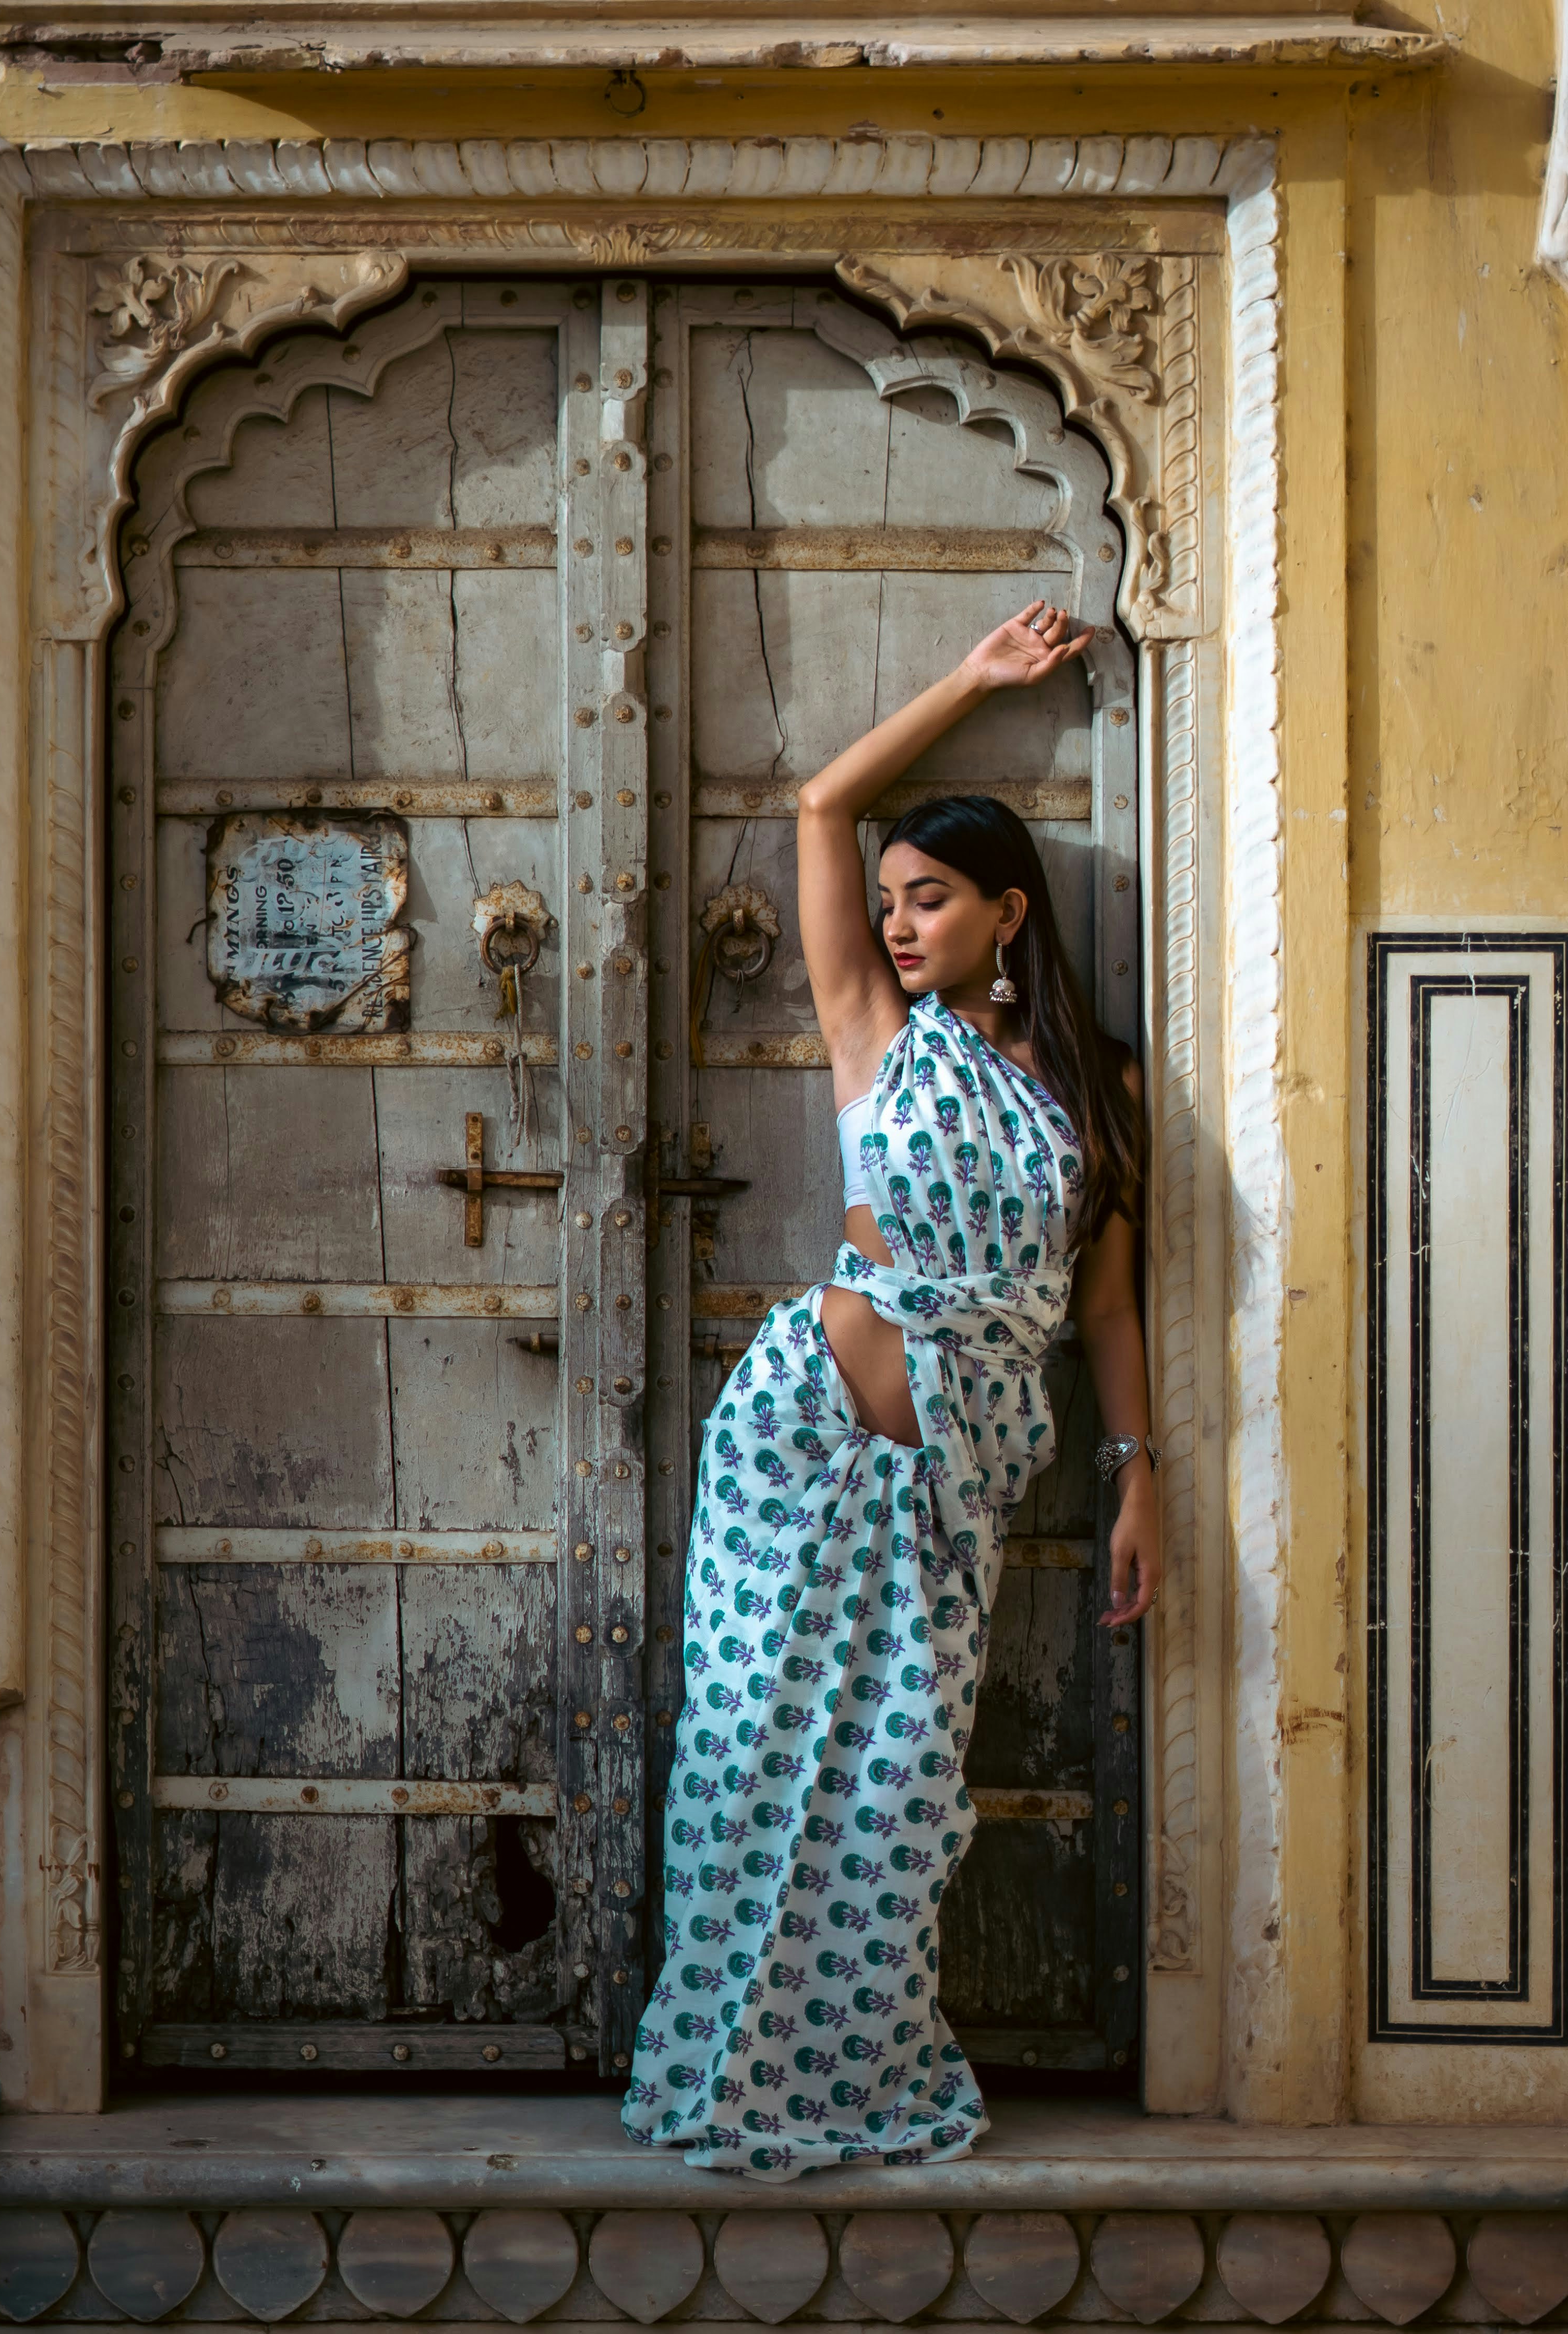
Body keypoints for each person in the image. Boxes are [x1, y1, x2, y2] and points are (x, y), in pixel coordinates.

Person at [621, 601, 1163, 2181]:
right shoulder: (875, 1031)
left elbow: (1109, 1303)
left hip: (958, 1475)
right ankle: (716, 2075)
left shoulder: (1098, 1088)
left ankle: (845, 2087)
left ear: (1010, 909)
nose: (900, 925)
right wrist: (972, 681)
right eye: (888, 905)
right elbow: (817, 806)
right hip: (800, 1443)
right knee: (743, 1760)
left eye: (931, 901)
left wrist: (1142, 1472)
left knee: (892, 1800)